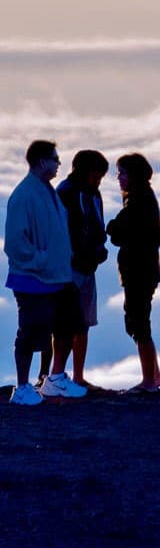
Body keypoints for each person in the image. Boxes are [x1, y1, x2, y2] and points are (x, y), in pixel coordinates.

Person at [6, 141, 82, 405]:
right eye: (55, 158)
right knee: (29, 332)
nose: (59, 163)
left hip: (57, 277)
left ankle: (56, 379)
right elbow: (15, 243)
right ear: (41, 162)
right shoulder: (24, 195)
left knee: (67, 325)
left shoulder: (47, 191)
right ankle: (23, 387)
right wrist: (42, 260)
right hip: (33, 279)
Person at [106, 153, 160, 392]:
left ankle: (149, 380)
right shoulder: (144, 197)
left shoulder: (137, 200)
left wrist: (112, 226)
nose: (119, 178)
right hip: (145, 268)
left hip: (138, 270)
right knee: (140, 320)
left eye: (122, 173)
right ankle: (154, 375)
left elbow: (118, 230)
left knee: (138, 322)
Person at [53, 149, 111, 388]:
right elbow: (62, 231)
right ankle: (56, 374)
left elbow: (96, 225)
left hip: (88, 266)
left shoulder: (93, 194)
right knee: (65, 323)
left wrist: (99, 248)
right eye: (96, 176)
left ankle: (77, 376)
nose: (98, 181)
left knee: (83, 323)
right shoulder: (66, 193)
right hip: (69, 268)